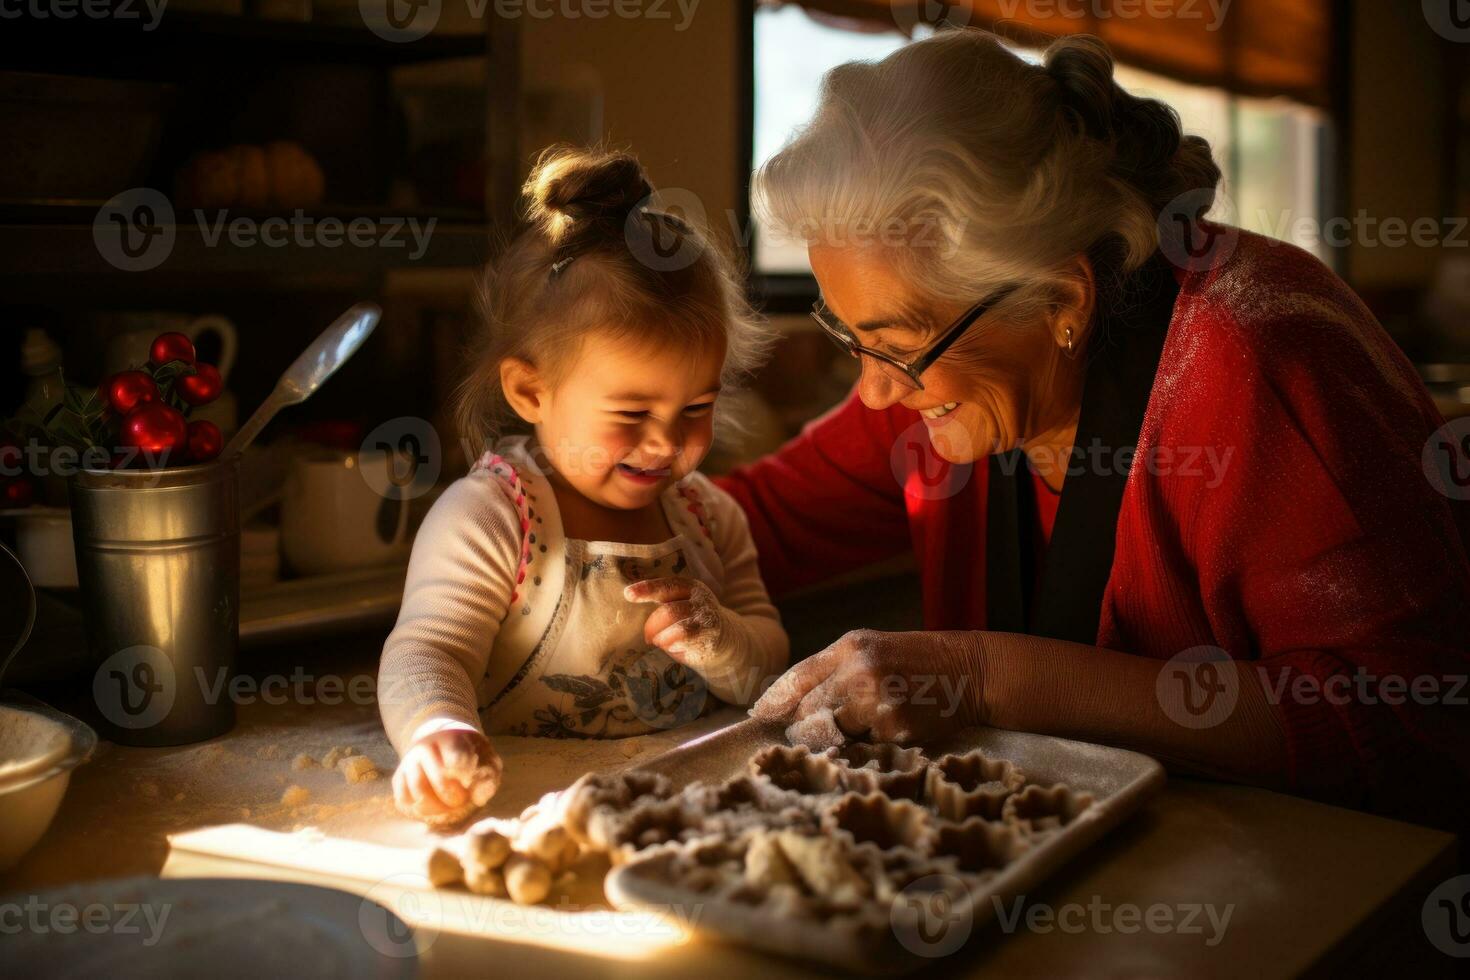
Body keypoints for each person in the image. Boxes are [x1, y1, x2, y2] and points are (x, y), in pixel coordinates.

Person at [721, 30, 1470, 829]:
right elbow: (737, 526)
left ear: (1062, 302)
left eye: (897, 349)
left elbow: (1407, 726)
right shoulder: (943, 374)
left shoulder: (1258, 355)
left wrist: (980, 675)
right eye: (850, 338)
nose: (871, 394)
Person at [379, 148, 788, 825]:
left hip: (684, 808)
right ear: (530, 391)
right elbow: (429, 650)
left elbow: (767, 663)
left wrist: (723, 638)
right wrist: (438, 731)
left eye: (695, 408)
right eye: (631, 414)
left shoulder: (709, 519)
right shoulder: (490, 518)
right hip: (525, 809)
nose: (664, 442)